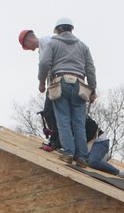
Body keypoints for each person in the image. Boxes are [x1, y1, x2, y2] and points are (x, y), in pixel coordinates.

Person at [37, 17, 96, 167]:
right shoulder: (83, 46)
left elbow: (44, 63)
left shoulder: (53, 43)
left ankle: (69, 152)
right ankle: (82, 157)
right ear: (71, 29)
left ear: (58, 30)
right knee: (79, 122)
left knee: (63, 119)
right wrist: (93, 89)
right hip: (79, 85)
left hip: (60, 82)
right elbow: (90, 69)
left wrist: (42, 82)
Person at [19, 28, 60, 152]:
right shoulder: (43, 45)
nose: (29, 49)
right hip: (54, 83)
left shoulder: (46, 42)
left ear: (28, 39)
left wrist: (41, 83)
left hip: (56, 84)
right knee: (54, 113)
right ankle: (57, 140)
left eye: (26, 46)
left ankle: (56, 140)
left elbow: (45, 64)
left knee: (49, 111)